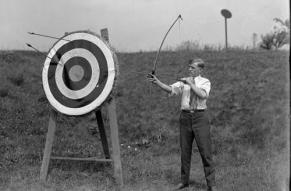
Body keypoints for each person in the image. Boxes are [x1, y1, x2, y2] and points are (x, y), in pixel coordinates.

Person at [147, 58, 216, 191]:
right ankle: (184, 182)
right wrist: (157, 82)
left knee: (205, 151)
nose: (189, 69)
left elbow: (202, 95)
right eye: (189, 67)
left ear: (200, 70)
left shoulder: (205, 82)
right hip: (185, 118)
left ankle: (211, 184)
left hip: (200, 117)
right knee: (185, 151)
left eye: (193, 68)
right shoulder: (183, 81)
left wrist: (190, 83)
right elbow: (171, 89)